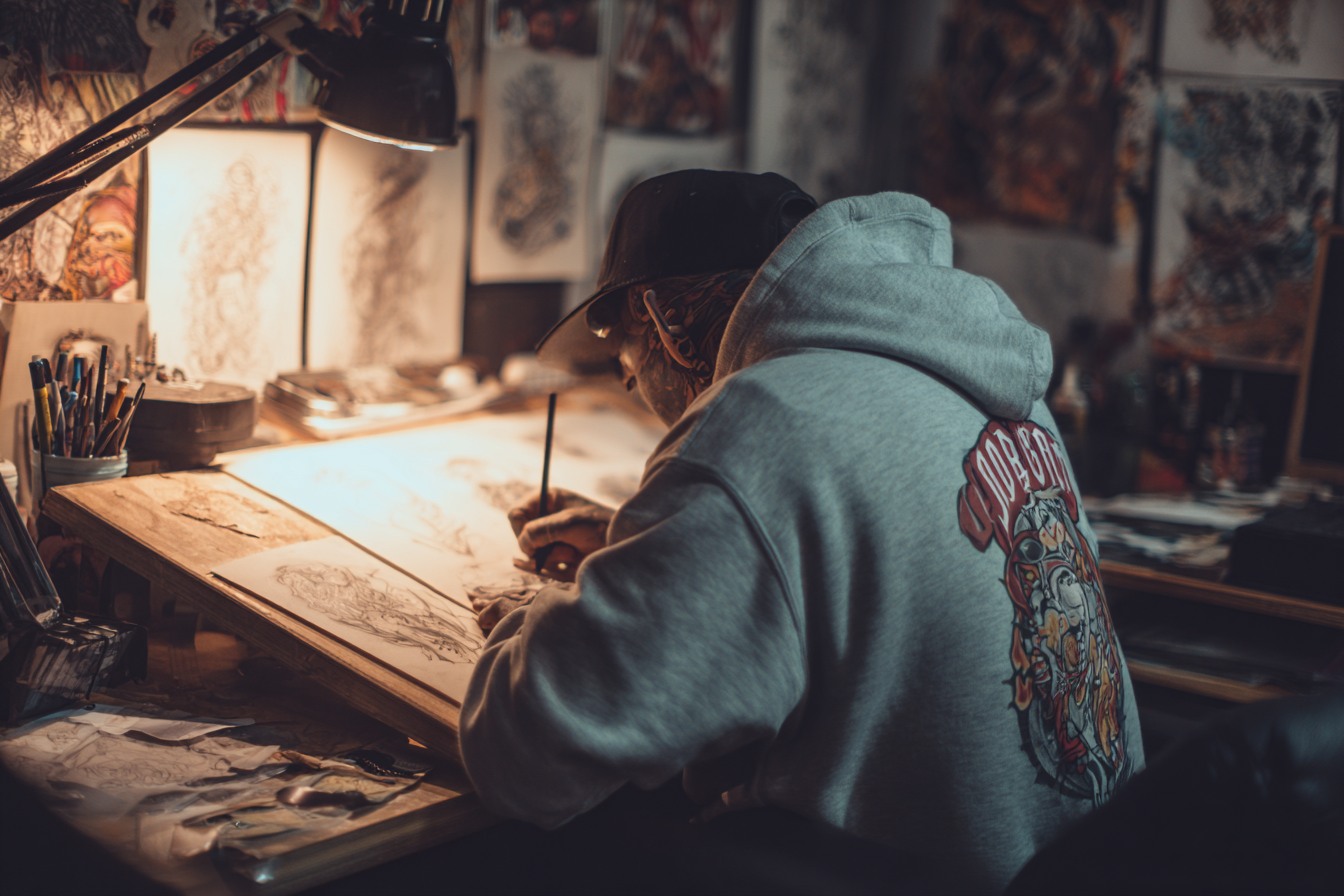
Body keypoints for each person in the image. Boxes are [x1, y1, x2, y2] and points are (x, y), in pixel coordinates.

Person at [460, 170, 1144, 894]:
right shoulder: (996, 386)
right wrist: (668, 552)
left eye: (626, 363)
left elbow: (526, 759)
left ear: (665, 321)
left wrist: (537, 616)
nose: (634, 389)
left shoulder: (761, 421)